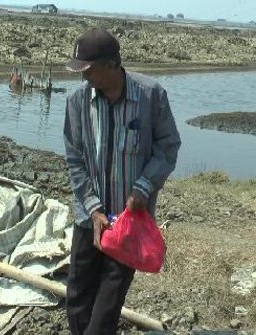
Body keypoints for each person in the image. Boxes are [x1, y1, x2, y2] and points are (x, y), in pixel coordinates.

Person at [63, 27, 181, 335]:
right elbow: (75, 158)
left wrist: (143, 187)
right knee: (77, 295)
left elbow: (167, 147)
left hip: (128, 222)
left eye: (88, 71)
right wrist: (92, 208)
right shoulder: (77, 103)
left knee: (108, 302)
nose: (83, 78)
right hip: (91, 220)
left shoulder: (151, 96)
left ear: (112, 65)